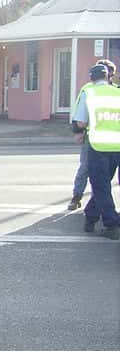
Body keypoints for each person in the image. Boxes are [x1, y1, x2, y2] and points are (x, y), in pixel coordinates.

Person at [72, 63, 120, 239]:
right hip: (118, 146)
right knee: (103, 185)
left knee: (100, 186)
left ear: (91, 78)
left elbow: (81, 122)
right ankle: (91, 216)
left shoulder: (89, 93)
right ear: (108, 77)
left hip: (98, 146)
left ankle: (111, 224)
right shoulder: (117, 92)